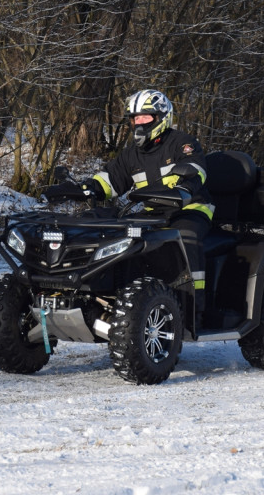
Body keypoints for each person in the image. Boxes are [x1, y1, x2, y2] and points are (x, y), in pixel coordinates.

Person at [76, 89, 214, 324]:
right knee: (120, 240)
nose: (139, 123)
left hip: (190, 209)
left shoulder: (182, 143)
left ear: (161, 118)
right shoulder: (132, 153)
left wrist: (186, 185)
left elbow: (195, 168)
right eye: (135, 118)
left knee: (185, 237)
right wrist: (90, 187)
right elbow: (112, 179)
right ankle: (123, 302)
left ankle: (194, 307)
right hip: (152, 214)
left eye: (145, 117)